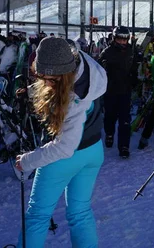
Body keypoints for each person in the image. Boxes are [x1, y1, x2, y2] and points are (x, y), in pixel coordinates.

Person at [15, 37, 107, 247]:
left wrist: (27, 161)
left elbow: (64, 148)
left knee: (38, 216)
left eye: (46, 78)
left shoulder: (74, 100)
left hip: (67, 156)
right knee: (80, 211)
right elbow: (55, 75)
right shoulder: (82, 64)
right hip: (93, 151)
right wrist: (31, 92)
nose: (43, 81)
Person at [99, 26, 137, 158]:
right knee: (110, 116)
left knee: (125, 120)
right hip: (110, 90)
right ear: (114, 39)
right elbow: (100, 70)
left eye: (125, 40)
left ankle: (124, 146)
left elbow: (134, 67)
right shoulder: (107, 52)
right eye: (120, 39)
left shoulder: (131, 51)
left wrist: (134, 79)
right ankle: (109, 134)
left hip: (125, 90)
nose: (122, 42)